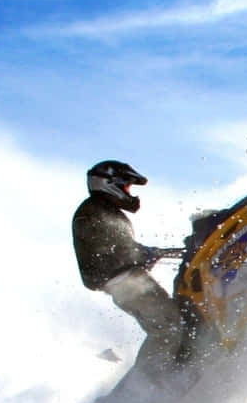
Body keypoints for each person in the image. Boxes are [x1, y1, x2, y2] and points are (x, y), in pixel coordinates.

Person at [72, 160, 188, 380]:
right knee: (170, 328)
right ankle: (149, 386)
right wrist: (142, 254)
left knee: (170, 324)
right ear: (110, 184)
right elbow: (112, 248)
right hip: (126, 282)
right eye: (126, 186)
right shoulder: (94, 211)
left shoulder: (101, 211)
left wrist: (145, 254)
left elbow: (115, 247)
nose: (128, 192)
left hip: (124, 282)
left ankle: (162, 375)